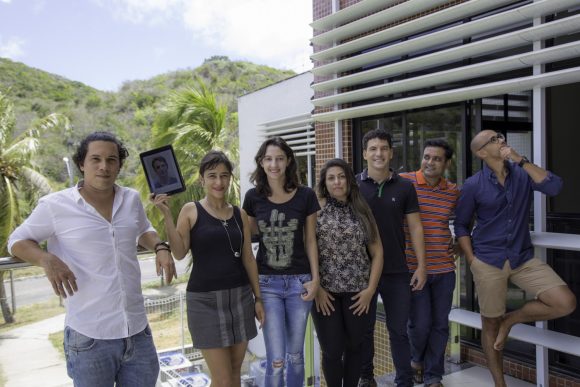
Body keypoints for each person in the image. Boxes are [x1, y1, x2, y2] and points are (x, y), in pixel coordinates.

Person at [8, 131, 176, 387]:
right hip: (89, 338)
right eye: (95, 159)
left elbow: (143, 229)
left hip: (138, 332)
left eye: (111, 160)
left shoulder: (130, 199)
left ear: (119, 165)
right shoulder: (55, 205)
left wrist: (160, 246)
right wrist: (46, 259)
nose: (103, 166)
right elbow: (17, 242)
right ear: (81, 164)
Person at [454, 130, 576, 387]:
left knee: (565, 302)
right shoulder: (473, 184)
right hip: (487, 260)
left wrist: (520, 159)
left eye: (500, 136)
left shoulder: (522, 173)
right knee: (489, 324)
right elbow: (462, 226)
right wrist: (472, 260)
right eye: (494, 140)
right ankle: (500, 384)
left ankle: (511, 319)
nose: (501, 141)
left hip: (522, 258)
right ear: (481, 153)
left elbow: (554, 186)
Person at [151, 150, 265, 385]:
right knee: (222, 379)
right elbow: (180, 252)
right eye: (212, 176)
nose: (219, 182)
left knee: (235, 374)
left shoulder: (239, 214)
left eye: (224, 176)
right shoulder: (191, 210)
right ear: (202, 179)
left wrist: (258, 298)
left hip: (240, 299)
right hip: (204, 303)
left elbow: (248, 259)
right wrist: (167, 216)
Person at [242, 137, 320, 387]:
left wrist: (315, 279)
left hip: (300, 283)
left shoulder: (306, 195)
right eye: (268, 159)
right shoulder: (253, 198)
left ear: (288, 161)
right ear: (261, 163)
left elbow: (310, 240)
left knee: (296, 356)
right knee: (276, 359)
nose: (274, 164)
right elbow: (245, 240)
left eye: (279, 158)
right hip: (267, 285)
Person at [357, 129, 427, 387]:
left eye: (383, 148)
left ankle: (404, 381)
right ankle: (367, 377)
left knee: (398, 331)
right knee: (365, 329)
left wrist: (421, 265)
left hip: (398, 271)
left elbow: (416, 227)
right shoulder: (353, 186)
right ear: (365, 154)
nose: (379, 153)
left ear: (391, 152)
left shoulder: (405, 186)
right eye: (373, 149)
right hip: (362, 272)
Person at [312, 158, 383, 387]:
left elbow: (378, 252)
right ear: (324, 182)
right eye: (331, 178)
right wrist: (318, 288)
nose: (337, 182)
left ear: (349, 180)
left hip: (358, 294)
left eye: (341, 176)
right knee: (332, 350)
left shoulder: (361, 208)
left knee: (355, 347)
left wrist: (370, 291)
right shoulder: (315, 208)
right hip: (326, 295)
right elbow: (306, 250)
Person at [399, 139, 459, 387]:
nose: (430, 162)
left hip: (444, 269)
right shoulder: (404, 182)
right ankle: (416, 361)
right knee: (420, 323)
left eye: (436, 158)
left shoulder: (453, 191)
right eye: (426, 157)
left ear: (446, 163)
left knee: (440, 325)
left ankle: (434, 375)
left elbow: (470, 218)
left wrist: (462, 244)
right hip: (414, 268)